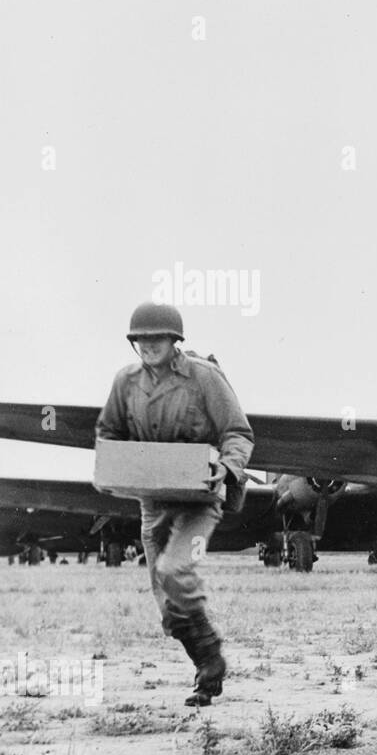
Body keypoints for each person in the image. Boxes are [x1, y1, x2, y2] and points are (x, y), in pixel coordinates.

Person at [95, 302, 253, 707]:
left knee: (175, 568)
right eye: (141, 339)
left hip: (201, 502)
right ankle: (206, 668)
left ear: (174, 340)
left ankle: (211, 656)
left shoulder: (204, 378)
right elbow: (109, 431)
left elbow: (237, 432)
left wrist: (230, 467)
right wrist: (115, 464)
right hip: (154, 502)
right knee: (166, 602)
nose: (148, 346)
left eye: (157, 338)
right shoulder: (125, 382)